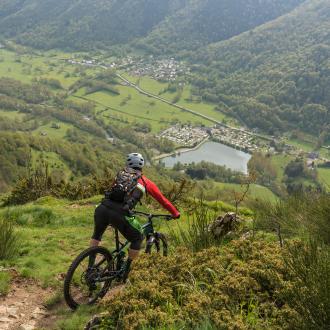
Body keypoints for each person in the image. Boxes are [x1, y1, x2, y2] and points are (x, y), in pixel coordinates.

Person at [90, 152, 180, 280]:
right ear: (142, 166)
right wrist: (175, 213)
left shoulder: (120, 175)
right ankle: (125, 274)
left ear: (127, 164)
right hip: (120, 213)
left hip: (102, 208)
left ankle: (90, 267)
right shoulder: (145, 181)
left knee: (97, 235)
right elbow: (163, 200)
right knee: (138, 237)